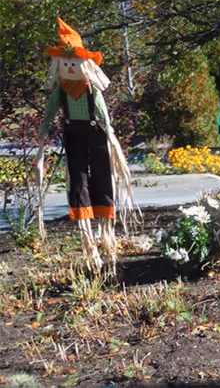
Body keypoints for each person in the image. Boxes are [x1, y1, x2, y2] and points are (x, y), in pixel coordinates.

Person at [37, 17, 135, 275]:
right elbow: (49, 113)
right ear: (59, 65)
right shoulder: (61, 91)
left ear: (84, 64)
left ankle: (106, 236)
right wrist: (44, 131)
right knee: (78, 182)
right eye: (65, 63)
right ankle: (88, 242)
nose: (69, 67)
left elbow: (104, 116)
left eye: (73, 62)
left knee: (104, 178)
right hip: (74, 137)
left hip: (97, 136)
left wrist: (111, 135)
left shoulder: (93, 90)